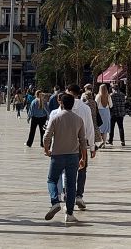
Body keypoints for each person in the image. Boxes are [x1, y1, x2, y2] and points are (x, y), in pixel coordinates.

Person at [49, 85, 96, 211]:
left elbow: (52, 128)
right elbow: (90, 128)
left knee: (65, 175)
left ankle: (66, 198)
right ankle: (78, 196)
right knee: (82, 171)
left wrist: (48, 147)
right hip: (81, 144)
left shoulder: (60, 108)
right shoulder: (85, 108)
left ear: (70, 93)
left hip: (63, 145)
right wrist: (92, 146)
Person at [43, 92, 87, 223]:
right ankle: (69, 213)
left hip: (57, 155)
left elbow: (47, 136)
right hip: (73, 156)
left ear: (61, 103)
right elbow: (83, 141)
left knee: (52, 180)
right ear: (72, 104)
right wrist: (83, 157)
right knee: (71, 184)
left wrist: (47, 149)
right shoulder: (78, 119)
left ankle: (55, 201)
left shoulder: (55, 118)